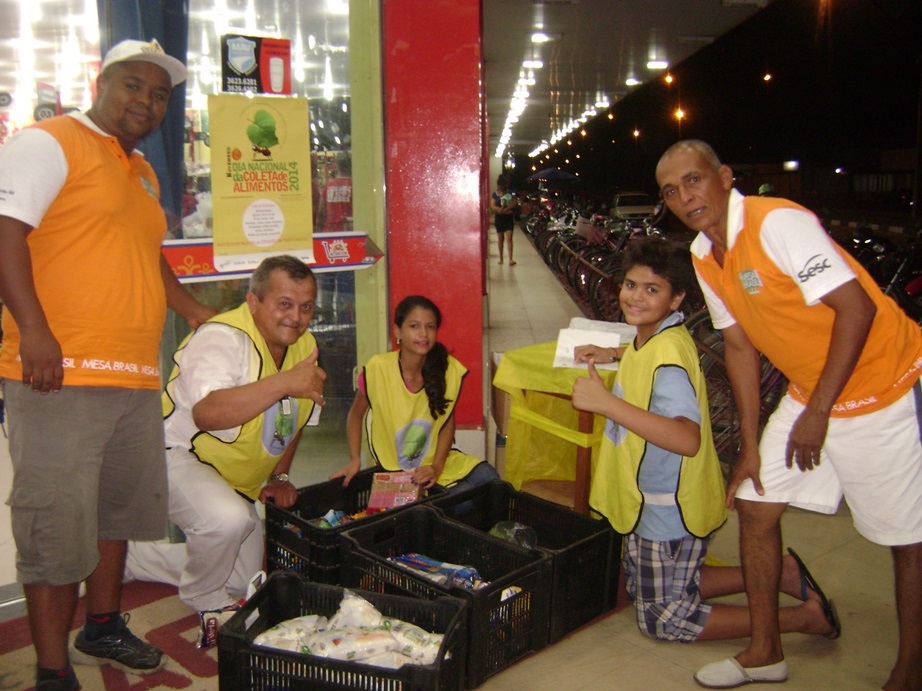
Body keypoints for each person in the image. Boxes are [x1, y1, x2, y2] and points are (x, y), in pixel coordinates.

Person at [655, 140, 922, 690]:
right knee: (756, 505)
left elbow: (857, 308)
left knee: (908, 539)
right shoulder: (704, 254)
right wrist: (750, 445)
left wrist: (819, 412)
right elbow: (738, 346)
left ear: (724, 177)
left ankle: (908, 671)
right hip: (811, 391)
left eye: (693, 180)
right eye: (671, 191)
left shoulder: (776, 223)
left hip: (885, 387)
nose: (685, 197)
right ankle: (765, 651)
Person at [0, 38, 215, 690]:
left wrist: (193, 309)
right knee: (55, 525)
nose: (146, 101)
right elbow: (5, 233)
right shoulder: (48, 142)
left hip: (133, 376)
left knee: (116, 514)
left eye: (160, 94)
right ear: (101, 82)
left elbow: (145, 254)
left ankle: (101, 624)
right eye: (134, 85)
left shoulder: (141, 170)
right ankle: (52, 669)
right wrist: (34, 331)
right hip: (59, 375)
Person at [571, 238, 838, 648]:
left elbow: (686, 438)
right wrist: (613, 352)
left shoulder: (669, 358)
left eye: (652, 289)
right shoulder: (654, 336)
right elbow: (647, 356)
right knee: (648, 582)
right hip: (655, 499)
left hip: (669, 507)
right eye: (630, 284)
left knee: (663, 620)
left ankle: (804, 618)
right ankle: (781, 573)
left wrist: (607, 404)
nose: (635, 297)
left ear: (676, 298)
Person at [125, 255, 326, 647]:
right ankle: (205, 599)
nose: (296, 317)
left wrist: (279, 474)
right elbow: (209, 413)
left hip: (227, 477)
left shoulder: (305, 347)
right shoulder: (221, 337)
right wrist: (285, 382)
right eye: (284, 304)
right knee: (228, 522)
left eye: (306, 307)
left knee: (240, 576)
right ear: (253, 301)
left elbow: (298, 419)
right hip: (169, 455)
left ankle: (131, 560)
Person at [332, 295, 499, 492]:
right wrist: (355, 459)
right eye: (414, 326)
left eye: (430, 327)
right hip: (396, 470)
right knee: (449, 503)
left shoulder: (446, 369)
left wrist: (436, 467)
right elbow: (355, 415)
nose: (423, 334)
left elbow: (447, 423)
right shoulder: (378, 370)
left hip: (436, 462)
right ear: (398, 331)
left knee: (491, 480)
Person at [315, 150, 353, 232]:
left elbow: (320, 213)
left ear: (337, 166)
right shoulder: (354, 186)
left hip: (329, 232)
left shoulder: (328, 186)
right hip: (349, 232)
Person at [490, 174, 517, 266]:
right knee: (500, 238)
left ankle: (510, 259)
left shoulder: (510, 193)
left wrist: (506, 209)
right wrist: (500, 210)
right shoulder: (495, 194)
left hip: (508, 218)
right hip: (499, 218)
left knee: (509, 238)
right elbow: (492, 205)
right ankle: (501, 258)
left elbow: (515, 202)